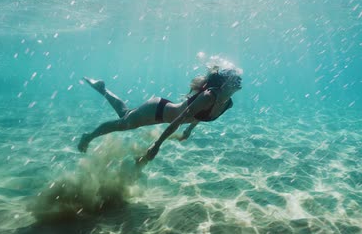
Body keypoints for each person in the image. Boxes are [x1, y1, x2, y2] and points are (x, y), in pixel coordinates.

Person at [77, 64, 242, 165]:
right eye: (235, 79)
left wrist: (189, 130)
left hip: (164, 113)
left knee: (124, 114)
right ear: (224, 84)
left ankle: (102, 88)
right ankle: (88, 136)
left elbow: (202, 114)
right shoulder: (209, 96)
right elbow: (180, 118)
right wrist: (157, 145)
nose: (239, 81)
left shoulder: (227, 103)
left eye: (238, 79)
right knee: (123, 123)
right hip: (157, 110)